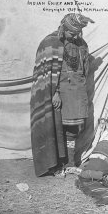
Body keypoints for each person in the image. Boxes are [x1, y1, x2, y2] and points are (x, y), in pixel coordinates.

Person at [30, 13, 94, 177]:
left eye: (77, 33)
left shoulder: (81, 44)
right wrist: (55, 93)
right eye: (72, 33)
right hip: (60, 92)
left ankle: (71, 163)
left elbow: (84, 68)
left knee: (74, 129)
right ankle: (57, 165)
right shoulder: (50, 42)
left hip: (77, 92)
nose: (75, 36)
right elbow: (46, 74)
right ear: (63, 27)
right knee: (57, 128)